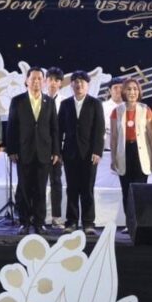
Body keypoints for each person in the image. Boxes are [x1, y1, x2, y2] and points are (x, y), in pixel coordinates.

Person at [6, 67, 60, 235]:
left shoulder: (49, 101)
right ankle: (24, 222)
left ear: (43, 82)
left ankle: (39, 222)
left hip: (44, 152)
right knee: (24, 188)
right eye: (33, 78)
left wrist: (56, 151)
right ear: (27, 80)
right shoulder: (17, 101)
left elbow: (54, 128)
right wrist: (12, 150)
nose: (36, 81)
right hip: (23, 152)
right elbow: (11, 127)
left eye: (39, 79)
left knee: (41, 189)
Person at [57, 71, 105, 235]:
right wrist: (58, 152)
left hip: (89, 154)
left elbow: (99, 129)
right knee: (71, 189)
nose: (79, 85)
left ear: (88, 85)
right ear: (71, 85)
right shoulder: (65, 104)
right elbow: (59, 130)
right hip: (69, 153)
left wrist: (97, 151)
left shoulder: (95, 103)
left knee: (87, 189)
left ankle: (88, 223)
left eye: (82, 82)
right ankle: (71, 222)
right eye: (76, 82)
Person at [109, 77, 152, 233]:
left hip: (141, 153)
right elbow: (114, 137)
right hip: (124, 152)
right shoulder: (117, 111)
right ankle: (129, 224)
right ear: (123, 92)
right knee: (126, 190)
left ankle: (141, 222)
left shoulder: (145, 109)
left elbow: (151, 135)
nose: (132, 92)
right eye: (129, 89)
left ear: (139, 92)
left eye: (135, 89)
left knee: (141, 190)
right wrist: (113, 157)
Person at [45, 67, 66, 228]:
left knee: (56, 182)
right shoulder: (38, 99)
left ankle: (56, 217)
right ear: (45, 81)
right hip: (38, 148)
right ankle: (36, 216)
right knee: (37, 183)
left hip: (57, 150)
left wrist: (58, 151)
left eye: (56, 80)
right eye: (50, 79)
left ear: (60, 83)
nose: (53, 83)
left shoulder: (64, 102)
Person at [102, 77, 124, 148]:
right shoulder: (102, 107)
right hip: (107, 147)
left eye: (121, 87)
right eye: (115, 88)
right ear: (110, 90)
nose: (119, 90)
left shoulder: (130, 106)